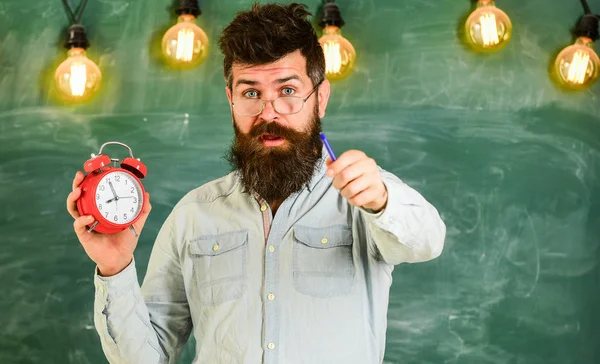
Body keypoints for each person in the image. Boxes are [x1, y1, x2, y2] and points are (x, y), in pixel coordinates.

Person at [66, 3, 446, 363]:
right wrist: (114, 269)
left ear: (321, 97)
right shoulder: (192, 216)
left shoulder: (365, 198)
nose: (269, 113)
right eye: (251, 93)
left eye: (288, 91)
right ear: (231, 99)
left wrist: (381, 200)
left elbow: (428, 241)